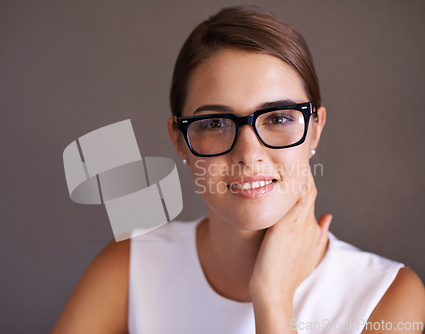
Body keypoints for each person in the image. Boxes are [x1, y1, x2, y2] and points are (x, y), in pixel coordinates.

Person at [51, 5, 425, 334]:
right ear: (179, 140)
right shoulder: (132, 266)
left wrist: (273, 299)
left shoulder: (388, 296)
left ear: (315, 129)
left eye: (278, 117)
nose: (249, 154)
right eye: (214, 123)